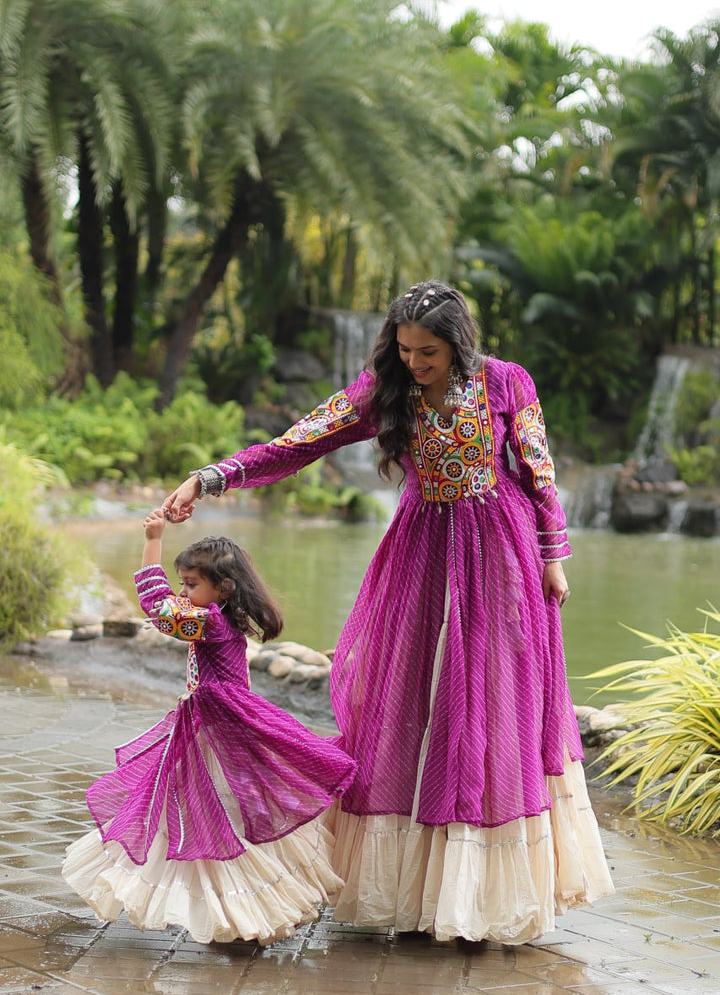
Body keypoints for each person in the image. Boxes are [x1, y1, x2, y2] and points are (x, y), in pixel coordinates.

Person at [163, 280, 615, 944]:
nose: (414, 362)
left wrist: (552, 556)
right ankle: (409, 888)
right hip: (421, 554)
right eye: (404, 349)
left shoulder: (505, 382)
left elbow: (538, 471)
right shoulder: (383, 392)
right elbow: (296, 444)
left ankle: (476, 898)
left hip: (501, 554)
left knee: (486, 702)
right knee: (405, 696)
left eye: (427, 351)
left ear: (457, 344)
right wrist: (210, 479)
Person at [62, 510, 356, 945]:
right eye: (182, 582)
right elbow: (169, 610)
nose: (183, 592)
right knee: (218, 812)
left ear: (223, 588)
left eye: (191, 584)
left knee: (213, 814)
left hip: (216, 730)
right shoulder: (222, 618)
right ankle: (243, 910)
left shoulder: (211, 621)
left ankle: (240, 911)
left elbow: (158, 610)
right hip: (217, 727)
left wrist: (153, 541)